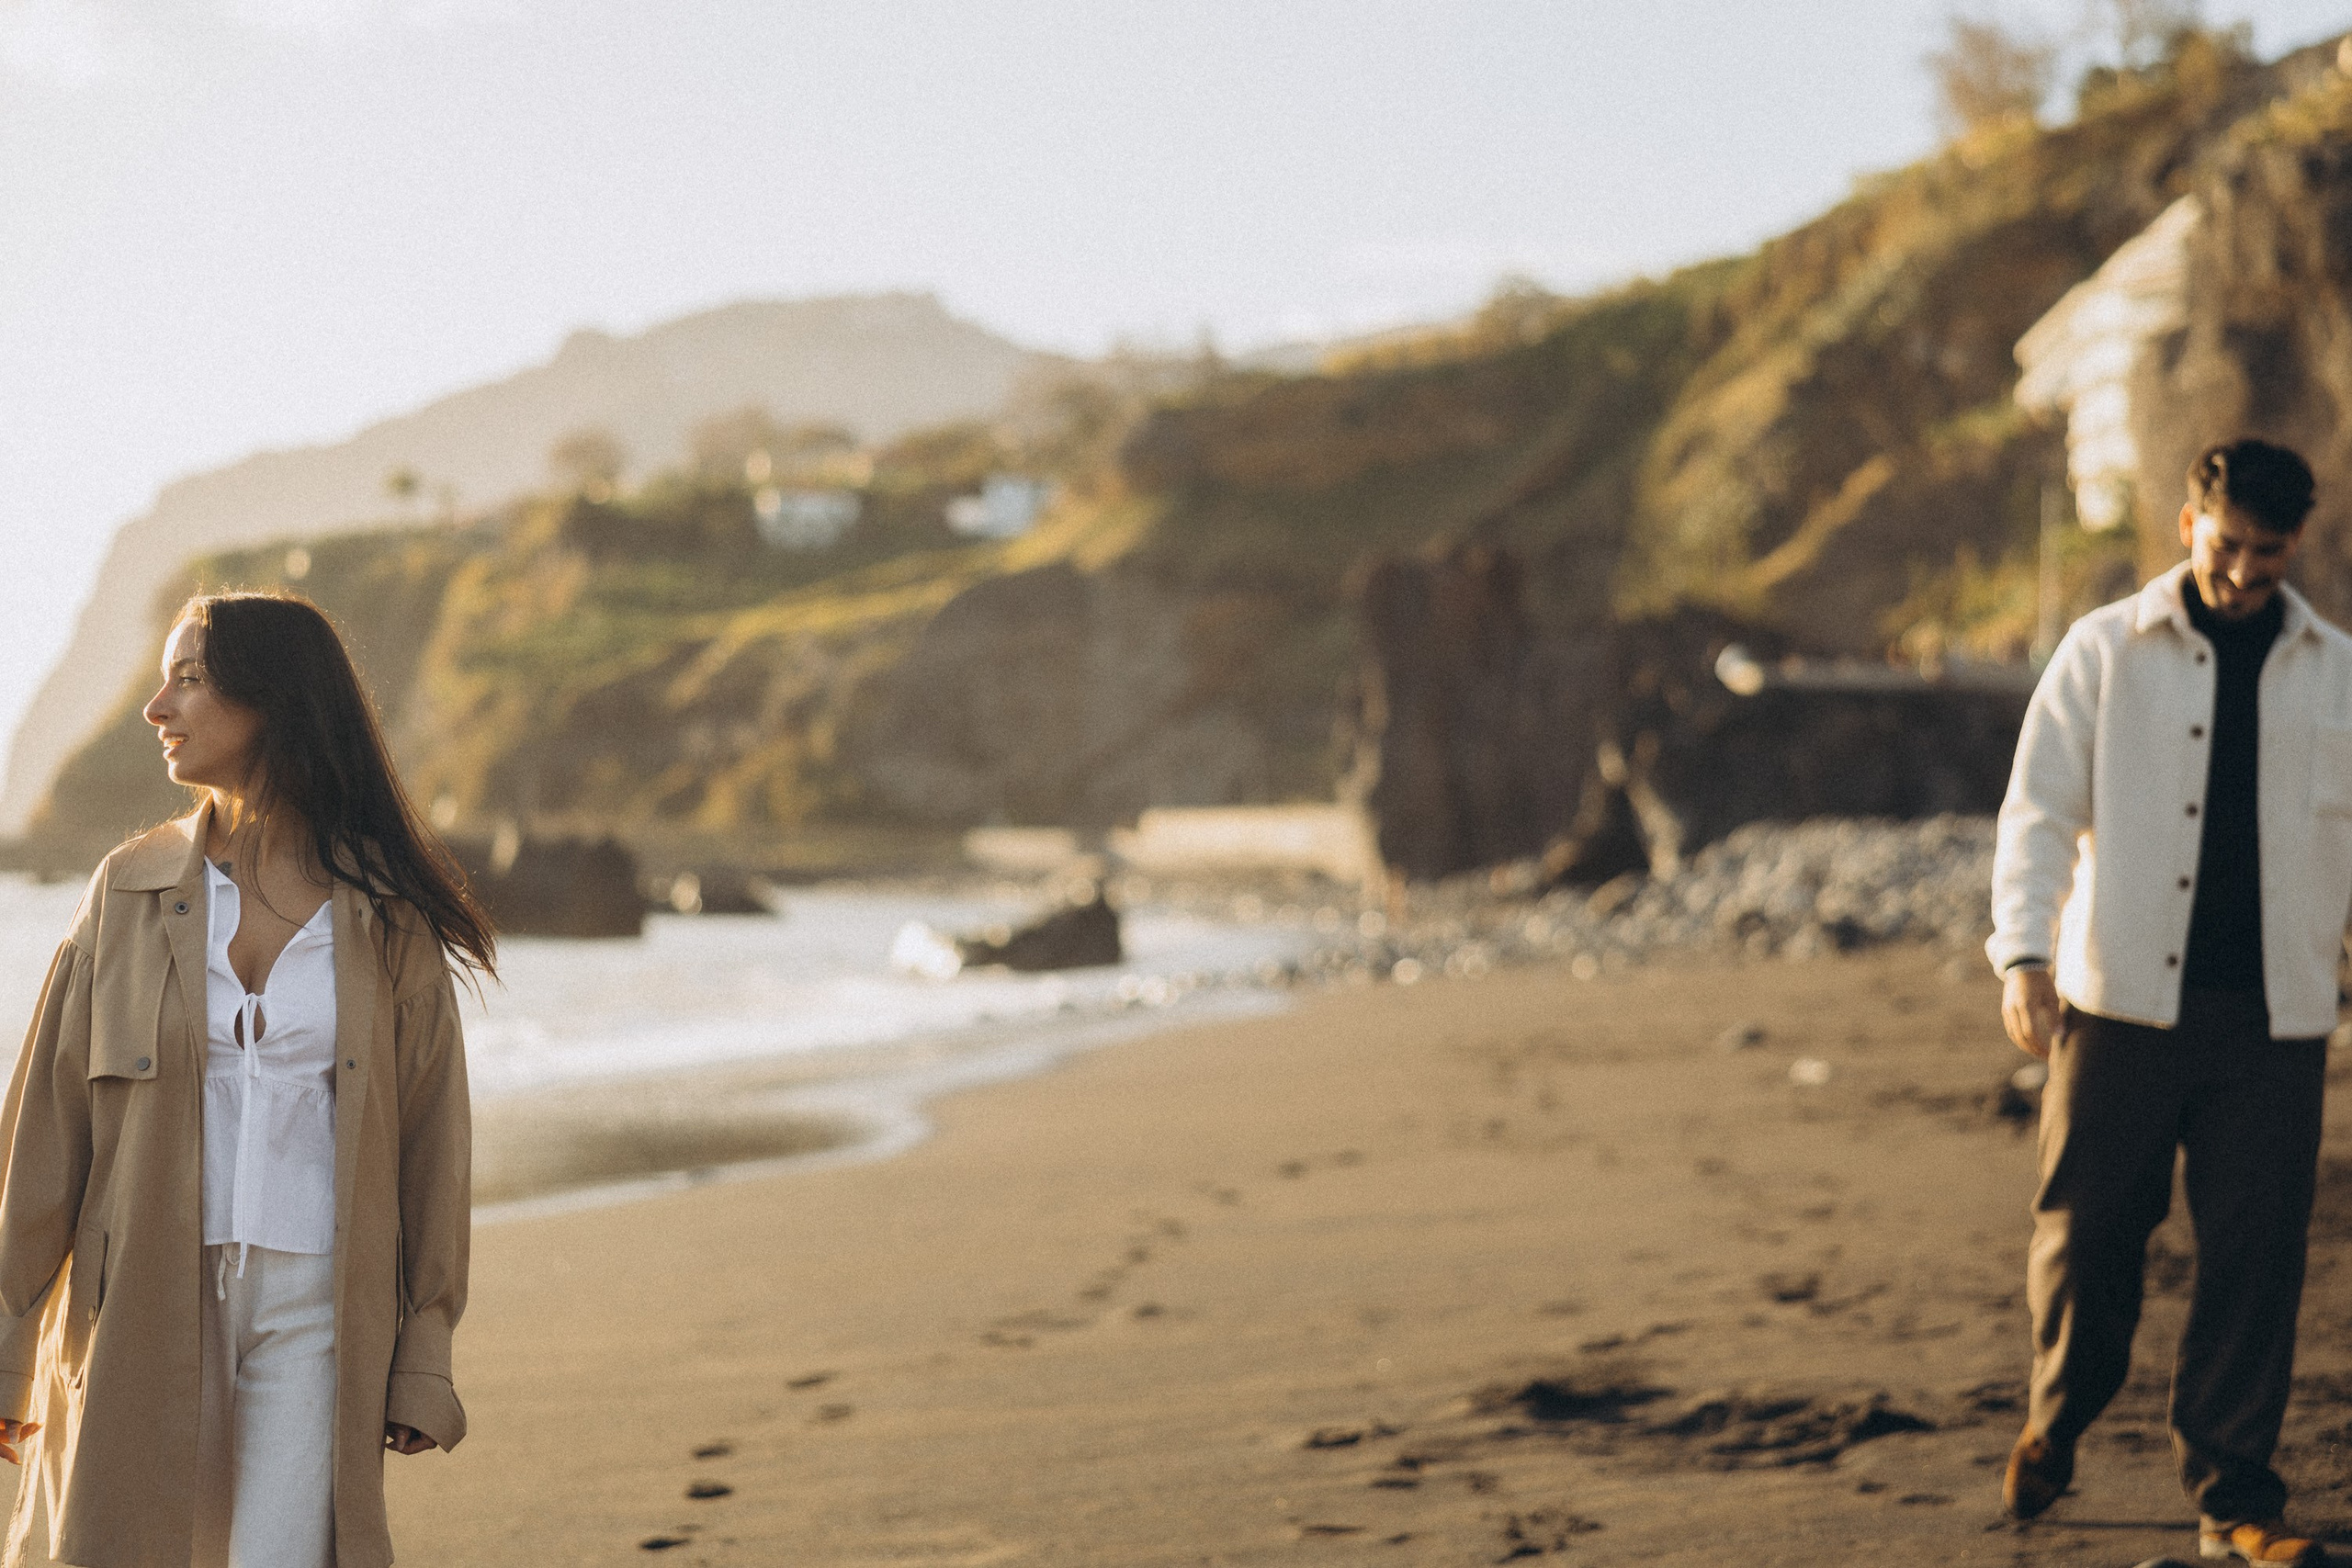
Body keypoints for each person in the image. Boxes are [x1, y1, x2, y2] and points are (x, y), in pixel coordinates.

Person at [0, 592, 492, 1568]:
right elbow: (43, 1135)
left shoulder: (386, 919)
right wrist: (7, 1338)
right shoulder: (126, 895)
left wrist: (422, 1356)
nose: (156, 707)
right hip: (140, 1300)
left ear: (271, 701)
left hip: (317, 1310)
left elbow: (435, 1150)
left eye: (188, 679)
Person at [1989, 438, 2352, 1568]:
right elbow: (2037, 812)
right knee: (2087, 1236)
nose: (2244, 570)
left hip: (2274, 1019)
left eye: (2269, 552)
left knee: (2254, 1257)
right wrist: (2021, 956)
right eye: (2227, 544)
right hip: (2117, 1004)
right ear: (2188, 524)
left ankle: (2234, 1491)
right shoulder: (2102, 651)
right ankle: (2059, 1411)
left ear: (2297, 545)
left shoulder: (2336, 669)